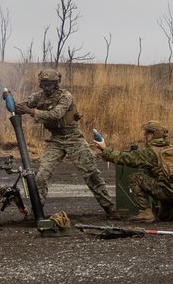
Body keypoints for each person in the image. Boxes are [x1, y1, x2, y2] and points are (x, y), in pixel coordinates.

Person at [15, 69, 121, 220]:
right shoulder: (39, 97)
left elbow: (56, 114)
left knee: (91, 172)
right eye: (44, 84)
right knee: (41, 176)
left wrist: (31, 111)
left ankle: (110, 208)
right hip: (56, 140)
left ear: (56, 83)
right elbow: (18, 109)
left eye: (50, 84)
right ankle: (36, 213)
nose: (47, 87)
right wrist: (9, 100)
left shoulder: (65, 96)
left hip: (73, 137)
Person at [94, 120, 173, 223]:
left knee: (135, 178)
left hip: (166, 191)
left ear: (153, 134)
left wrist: (104, 149)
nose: (144, 136)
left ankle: (146, 213)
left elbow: (125, 158)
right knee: (163, 216)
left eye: (147, 133)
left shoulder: (150, 152)